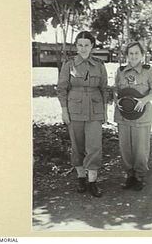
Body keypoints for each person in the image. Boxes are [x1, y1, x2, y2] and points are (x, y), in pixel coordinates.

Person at [57, 31, 108, 197]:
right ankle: (81, 177)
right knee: (77, 146)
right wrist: (64, 110)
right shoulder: (69, 64)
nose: (83, 48)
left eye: (87, 45)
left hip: (95, 110)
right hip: (74, 110)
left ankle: (92, 182)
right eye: (80, 45)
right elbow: (62, 89)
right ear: (76, 46)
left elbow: (104, 89)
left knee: (94, 146)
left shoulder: (99, 65)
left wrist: (104, 112)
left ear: (92, 46)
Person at [114, 41, 152, 191]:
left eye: (137, 53)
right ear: (127, 55)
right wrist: (117, 100)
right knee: (125, 148)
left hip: (142, 115)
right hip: (123, 115)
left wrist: (144, 100)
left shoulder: (149, 71)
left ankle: (139, 176)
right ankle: (129, 176)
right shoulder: (120, 71)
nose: (133, 56)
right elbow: (115, 90)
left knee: (140, 149)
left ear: (142, 55)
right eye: (131, 53)